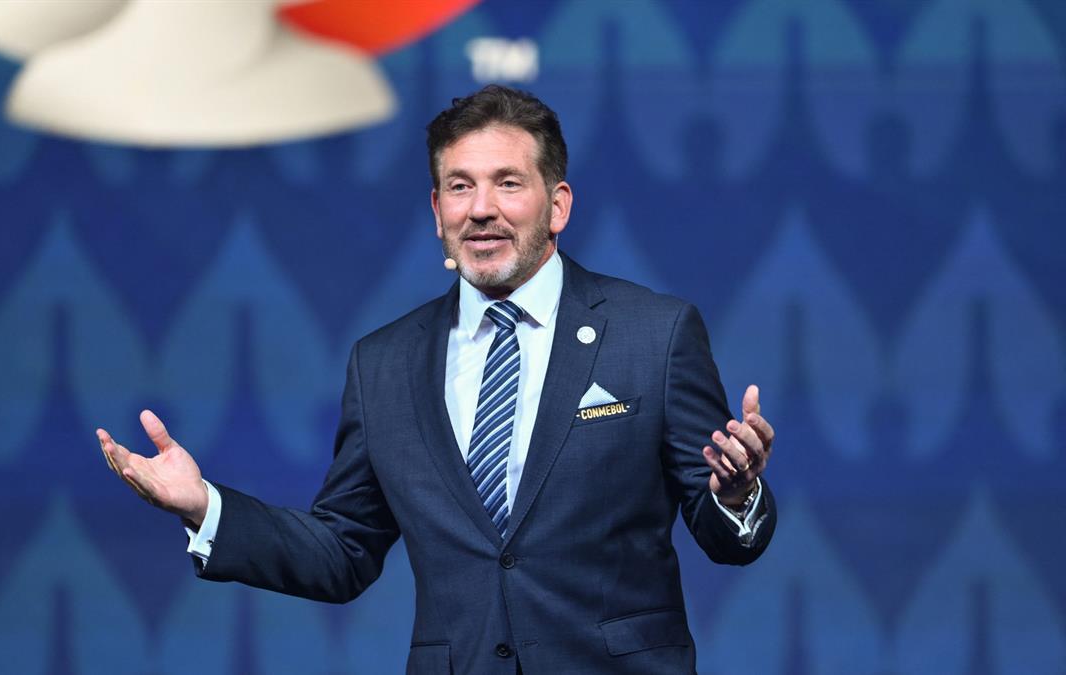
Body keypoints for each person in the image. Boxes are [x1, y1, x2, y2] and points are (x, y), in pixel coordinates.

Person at [98, 85, 776, 675]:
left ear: (558, 205)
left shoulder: (655, 334)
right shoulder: (383, 363)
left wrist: (737, 494)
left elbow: (727, 535)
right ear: (436, 210)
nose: (481, 208)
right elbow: (343, 550)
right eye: (460, 185)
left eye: (508, 183)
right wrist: (205, 507)